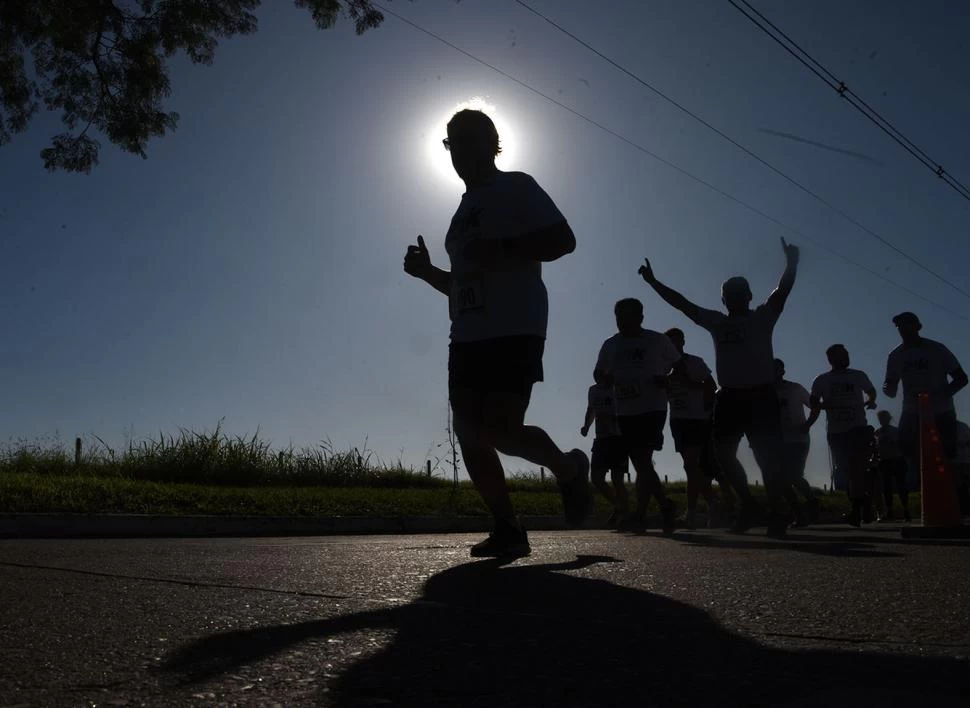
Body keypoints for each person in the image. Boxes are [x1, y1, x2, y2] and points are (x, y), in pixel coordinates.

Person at [403, 109, 591, 558]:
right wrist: (428, 272)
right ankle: (508, 527)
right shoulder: (460, 215)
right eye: (452, 142)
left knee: (503, 431)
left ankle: (568, 470)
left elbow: (564, 240)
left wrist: (504, 248)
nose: (459, 151)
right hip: (466, 335)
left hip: (516, 326)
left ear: (492, 142)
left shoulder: (517, 186)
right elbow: (461, 283)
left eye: (468, 139)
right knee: (470, 435)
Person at [638, 238, 800, 537]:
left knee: (767, 456)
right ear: (723, 300)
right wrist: (653, 282)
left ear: (749, 296)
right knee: (723, 455)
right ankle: (749, 504)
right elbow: (683, 304)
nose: (733, 297)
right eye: (728, 294)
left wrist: (791, 264)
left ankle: (777, 511)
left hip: (761, 395)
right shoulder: (716, 322)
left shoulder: (763, 317)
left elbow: (781, 292)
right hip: (729, 397)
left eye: (738, 293)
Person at [596, 298, 680, 534]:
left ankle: (649, 512)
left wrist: (667, 380)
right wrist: (604, 378)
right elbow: (598, 371)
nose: (623, 322)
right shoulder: (610, 345)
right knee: (641, 462)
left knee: (641, 459)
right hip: (624, 409)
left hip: (652, 406)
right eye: (619, 317)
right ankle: (659, 508)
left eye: (628, 316)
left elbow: (678, 366)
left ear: (640, 317)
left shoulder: (657, 340)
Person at [883, 312, 968, 489]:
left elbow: (961, 378)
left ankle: (954, 493)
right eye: (899, 326)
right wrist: (888, 389)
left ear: (917, 326)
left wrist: (944, 394)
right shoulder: (896, 355)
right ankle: (926, 483)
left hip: (941, 408)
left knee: (947, 450)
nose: (903, 329)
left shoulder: (936, 349)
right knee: (906, 445)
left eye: (907, 324)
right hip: (912, 409)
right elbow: (890, 384)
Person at [805, 344, 877, 527]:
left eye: (846, 354)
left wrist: (871, 401)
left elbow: (871, 391)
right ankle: (863, 502)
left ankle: (856, 510)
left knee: (856, 469)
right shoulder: (821, 380)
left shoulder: (858, 375)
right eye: (841, 355)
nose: (845, 357)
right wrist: (820, 408)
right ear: (831, 359)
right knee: (846, 471)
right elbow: (814, 403)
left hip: (858, 429)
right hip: (836, 432)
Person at [664, 327, 719, 529]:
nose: (673, 346)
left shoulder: (695, 362)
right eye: (669, 343)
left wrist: (688, 383)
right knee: (690, 466)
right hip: (677, 419)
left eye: (676, 342)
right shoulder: (662, 366)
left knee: (690, 465)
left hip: (697, 418)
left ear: (683, 342)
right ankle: (712, 503)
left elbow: (712, 386)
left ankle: (693, 512)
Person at [581, 368, 630, 527]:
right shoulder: (593, 390)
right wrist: (586, 426)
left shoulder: (618, 389)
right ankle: (619, 506)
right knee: (596, 478)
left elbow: (627, 411)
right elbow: (591, 409)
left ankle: (624, 515)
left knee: (617, 480)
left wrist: (612, 419)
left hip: (618, 438)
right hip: (601, 439)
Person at [773, 358, 819, 527]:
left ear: (782, 371)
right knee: (781, 479)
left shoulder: (795, 388)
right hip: (777, 441)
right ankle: (799, 513)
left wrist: (808, 424)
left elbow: (815, 406)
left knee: (794, 476)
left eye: (776, 369)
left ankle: (811, 500)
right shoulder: (765, 391)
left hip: (798, 440)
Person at [875, 410, 910, 522]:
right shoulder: (877, 433)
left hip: (896, 459)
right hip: (885, 461)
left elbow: (902, 445)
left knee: (901, 485)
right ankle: (890, 510)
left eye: (883, 418)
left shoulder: (895, 431)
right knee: (887, 487)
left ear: (888, 419)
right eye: (880, 418)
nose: (881, 421)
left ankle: (906, 509)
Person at [953, 419, 970, 517]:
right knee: (963, 484)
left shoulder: (949, 428)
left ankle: (963, 508)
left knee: (959, 485)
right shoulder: (964, 426)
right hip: (965, 459)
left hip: (957, 460)